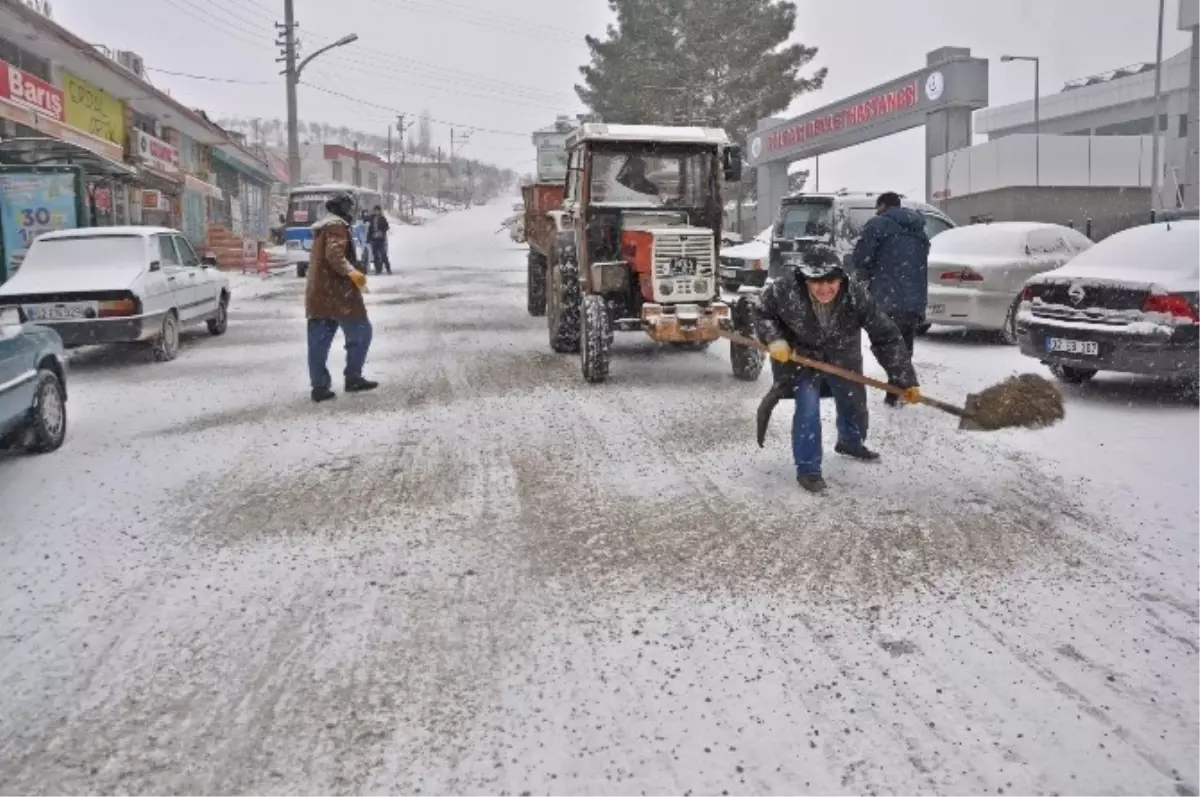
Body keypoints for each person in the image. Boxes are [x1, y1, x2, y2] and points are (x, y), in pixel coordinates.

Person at [758, 244, 921, 493]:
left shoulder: (855, 295)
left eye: (831, 281)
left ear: (841, 278)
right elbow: (761, 314)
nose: (824, 289)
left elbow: (885, 335)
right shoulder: (784, 290)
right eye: (816, 282)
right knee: (808, 406)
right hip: (802, 359)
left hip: (843, 356)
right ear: (804, 278)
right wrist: (774, 339)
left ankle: (850, 442)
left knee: (852, 401)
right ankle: (808, 469)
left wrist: (904, 379)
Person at [851, 191, 931, 407]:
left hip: (888, 295)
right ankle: (897, 391)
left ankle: (901, 386)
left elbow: (862, 258)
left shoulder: (877, 224)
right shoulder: (919, 229)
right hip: (914, 297)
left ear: (882, 206)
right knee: (904, 344)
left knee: (884, 343)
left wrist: (862, 275)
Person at [305, 191, 378, 403]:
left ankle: (319, 387)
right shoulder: (336, 227)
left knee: (318, 343)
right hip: (340, 296)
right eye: (349, 208)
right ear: (343, 209)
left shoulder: (323, 228)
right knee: (362, 332)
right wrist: (352, 272)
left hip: (319, 296)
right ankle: (353, 377)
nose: (351, 212)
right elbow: (335, 256)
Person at [368, 205, 391, 275]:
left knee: (383, 254)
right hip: (374, 238)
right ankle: (378, 270)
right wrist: (369, 237)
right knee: (375, 255)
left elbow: (387, 227)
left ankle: (388, 268)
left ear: (379, 211)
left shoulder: (382, 218)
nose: (376, 212)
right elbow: (369, 228)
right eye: (375, 210)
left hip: (380, 239)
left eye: (377, 210)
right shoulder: (372, 218)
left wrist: (382, 231)